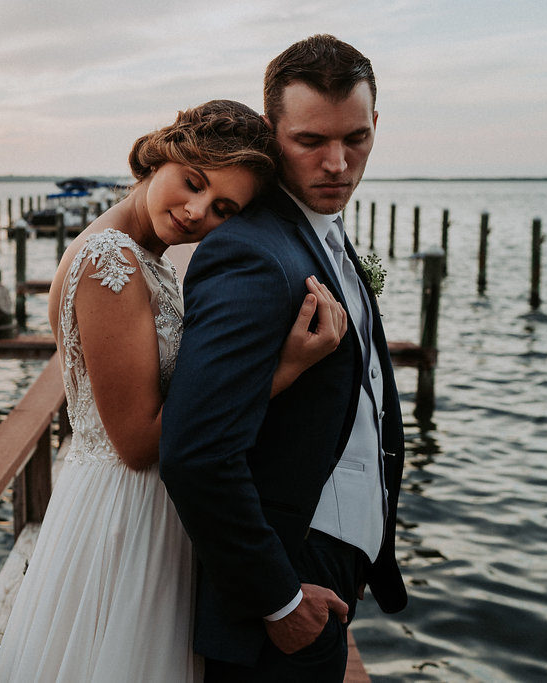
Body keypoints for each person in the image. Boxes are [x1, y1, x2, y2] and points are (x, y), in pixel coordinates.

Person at [0, 100, 347, 682]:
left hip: (133, 504)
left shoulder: (133, 252)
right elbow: (136, 440)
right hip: (127, 513)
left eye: (224, 209)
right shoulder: (114, 263)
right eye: (193, 182)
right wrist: (282, 370)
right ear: (162, 155)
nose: (196, 211)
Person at [160, 35, 408, 681]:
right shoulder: (250, 254)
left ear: (376, 123)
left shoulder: (320, 233)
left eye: (355, 137)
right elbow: (196, 450)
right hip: (288, 576)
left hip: (332, 566)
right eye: (310, 141)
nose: (336, 162)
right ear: (272, 133)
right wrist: (280, 600)